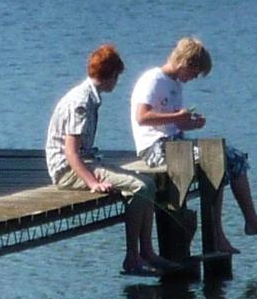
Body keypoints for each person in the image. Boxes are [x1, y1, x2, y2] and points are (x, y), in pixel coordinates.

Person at [129, 36, 257, 252]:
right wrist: (177, 117)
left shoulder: (175, 84)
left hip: (175, 143)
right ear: (185, 63)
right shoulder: (153, 79)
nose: (194, 78)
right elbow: (142, 117)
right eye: (194, 72)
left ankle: (249, 221)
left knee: (233, 158)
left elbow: (173, 123)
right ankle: (218, 235)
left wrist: (190, 123)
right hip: (154, 148)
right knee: (216, 160)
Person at [46, 44, 179, 277]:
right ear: (111, 75)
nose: (117, 82)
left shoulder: (89, 96)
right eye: (117, 76)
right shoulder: (81, 102)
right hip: (67, 170)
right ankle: (132, 257)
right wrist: (92, 183)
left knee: (148, 183)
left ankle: (146, 251)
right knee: (141, 187)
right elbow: (71, 153)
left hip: (86, 162)